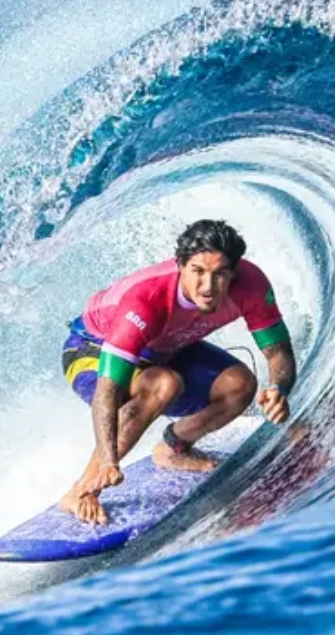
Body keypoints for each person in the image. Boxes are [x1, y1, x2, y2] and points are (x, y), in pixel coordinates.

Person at [59, 219, 296, 525]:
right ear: (180, 266)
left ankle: (174, 448)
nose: (208, 287)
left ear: (233, 271)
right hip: (91, 348)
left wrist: (279, 388)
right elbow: (108, 389)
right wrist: (108, 459)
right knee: (162, 384)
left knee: (239, 384)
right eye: (197, 271)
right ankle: (79, 492)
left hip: (164, 349)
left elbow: (278, 352)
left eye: (220, 273)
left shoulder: (251, 285)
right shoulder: (146, 300)